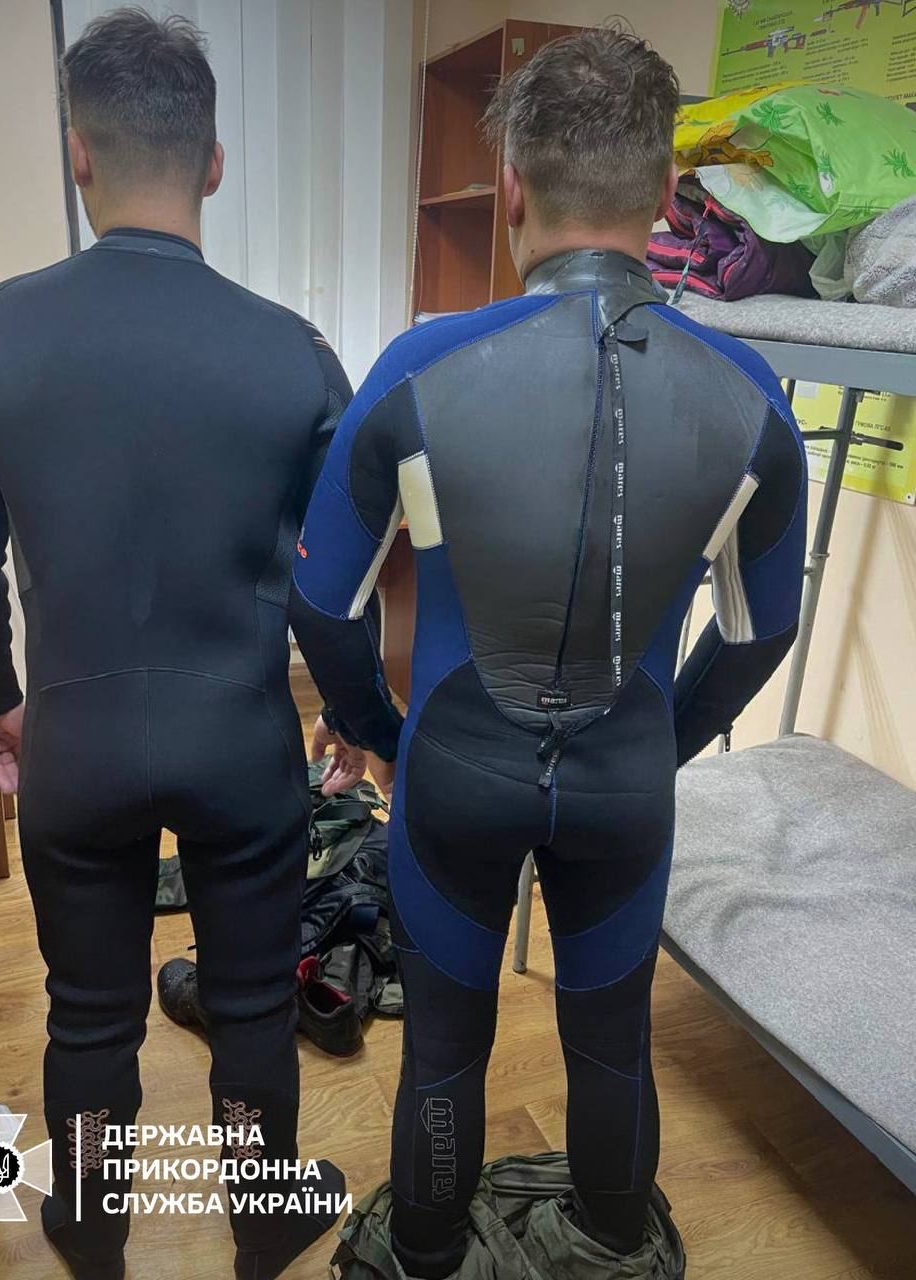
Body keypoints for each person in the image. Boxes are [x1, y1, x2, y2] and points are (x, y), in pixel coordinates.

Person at [289, 28, 808, 1280]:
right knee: (612, 1041)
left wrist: (383, 732)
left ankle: (423, 1249)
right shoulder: (752, 395)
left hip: (456, 765)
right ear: (663, 189)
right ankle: (616, 1239)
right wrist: (659, 738)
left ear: (512, 187)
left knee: (443, 1049)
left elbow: (322, 604)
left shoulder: (419, 367)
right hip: (627, 772)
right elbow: (763, 629)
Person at [0, 10, 373, 1279]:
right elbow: (334, 580)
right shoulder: (296, 355)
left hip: (75, 737)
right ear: (214, 163)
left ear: (79, 153)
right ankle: (264, 1222)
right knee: (251, 1003)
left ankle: (90, 1229)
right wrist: (347, 710)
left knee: (89, 1015)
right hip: (240, 735)